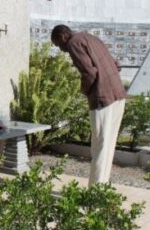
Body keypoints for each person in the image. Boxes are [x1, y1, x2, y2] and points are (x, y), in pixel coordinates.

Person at [51, 24, 127, 187]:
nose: (61, 49)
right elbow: (116, 65)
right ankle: (102, 186)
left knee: (99, 145)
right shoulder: (92, 38)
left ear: (63, 36)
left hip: (102, 97)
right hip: (118, 93)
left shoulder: (73, 43)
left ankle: (94, 192)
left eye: (58, 44)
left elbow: (90, 73)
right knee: (108, 143)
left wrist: (84, 91)